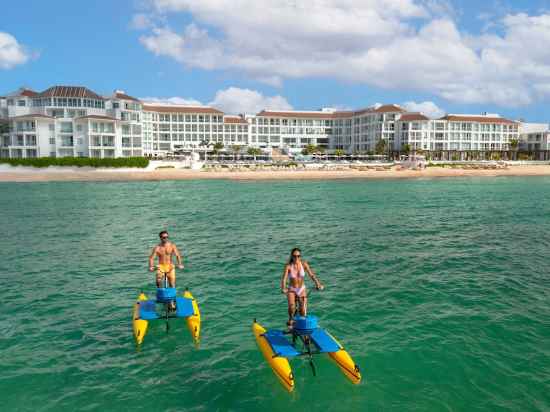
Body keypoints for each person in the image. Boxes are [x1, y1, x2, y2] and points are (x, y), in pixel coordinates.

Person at [281, 248, 324, 326]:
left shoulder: (304, 264)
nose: (296, 258)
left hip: (301, 289)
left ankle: (303, 326)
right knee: (292, 307)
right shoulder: (288, 266)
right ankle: (291, 319)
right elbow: (284, 278)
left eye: (298, 256)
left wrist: (318, 284)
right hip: (292, 289)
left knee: (303, 311)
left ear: (300, 256)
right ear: (291, 256)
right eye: (294, 256)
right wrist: (283, 288)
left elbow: (311, 275)